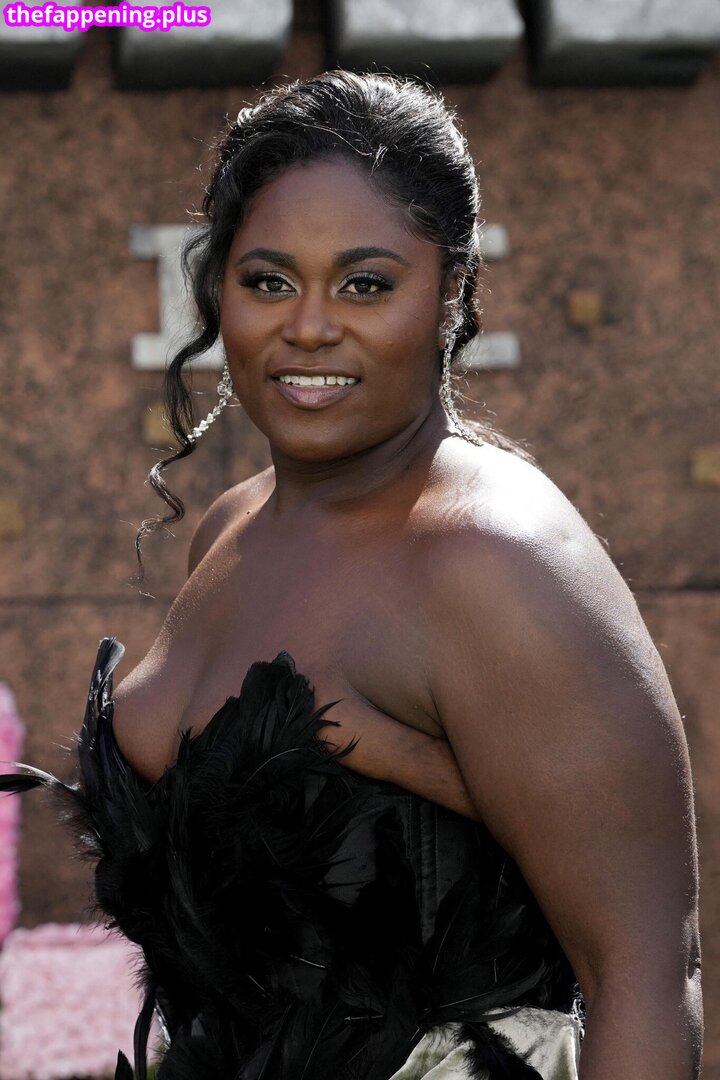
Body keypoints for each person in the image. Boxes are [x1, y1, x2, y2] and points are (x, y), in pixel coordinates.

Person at [1, 71, 701, 1080]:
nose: (310, 327)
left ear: (452, 293)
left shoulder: (493, 560)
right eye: (268, 281)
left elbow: (644, 975)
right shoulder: (233, 527)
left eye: (366, 284)